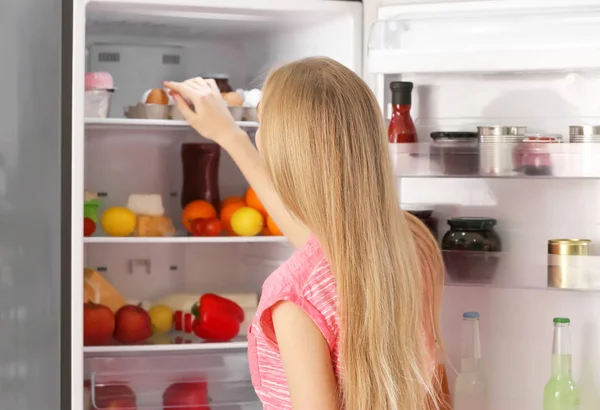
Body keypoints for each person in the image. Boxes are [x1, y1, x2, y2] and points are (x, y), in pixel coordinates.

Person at [164, 57, 445, 410]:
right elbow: (320, 243)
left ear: (285, 153)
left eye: (261, 123)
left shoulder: (295, 298)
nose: (258, 132)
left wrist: (232, 135)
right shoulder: (414, 243)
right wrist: (228, 135)